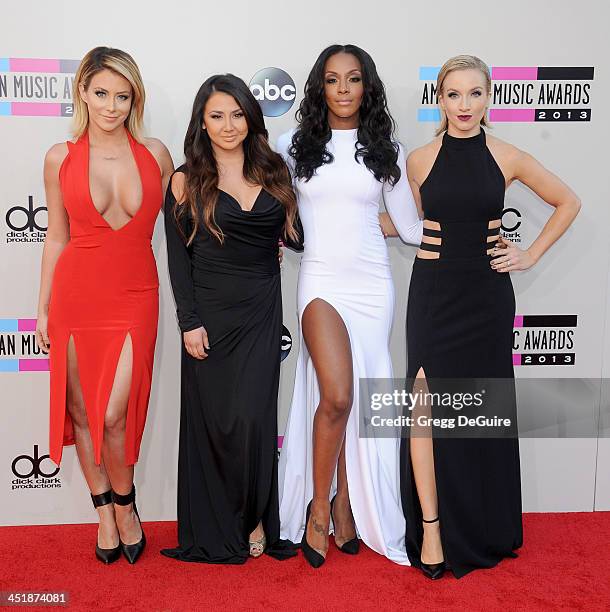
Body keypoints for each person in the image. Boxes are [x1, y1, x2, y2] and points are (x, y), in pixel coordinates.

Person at [397, 54, 581, 579]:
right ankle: (432, 528)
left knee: (479, 410)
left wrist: (529, 253)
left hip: (487, 296)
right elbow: (424, 225)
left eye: (475, 93)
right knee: (425, 405)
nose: (464, 105)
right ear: (440, 100)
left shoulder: (508, 156)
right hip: (433, 293)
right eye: (454, 94)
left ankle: (481, 526)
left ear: (489, 97)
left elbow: (568, 202)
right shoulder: (418, 160)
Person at [277, 44, 423, 568]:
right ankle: (319, 507)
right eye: (333, 79)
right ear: (320, 87)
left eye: (353, 79)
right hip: (319, 281)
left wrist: (471, 229)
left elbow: (409, 227)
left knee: (359, 399)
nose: (342, 89)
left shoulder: (387, 149)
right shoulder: (293, 147)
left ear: (367, 86)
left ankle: (347, 505)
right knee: (336, 396)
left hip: (371, 285)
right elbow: (278, 215)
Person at [35, 46, 173, 564]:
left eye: (122, 95)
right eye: (101, 94)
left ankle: (128, 503)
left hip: (136, 292)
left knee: (115, 412)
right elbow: (54, 236)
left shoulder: (156, 154)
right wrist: (43, 307)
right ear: (83, 94)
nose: (111, 106)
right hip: (76, 293)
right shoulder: (59, 157)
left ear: (134, 98)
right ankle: (105, 514)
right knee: (83, 412)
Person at [160, 74, 302, 565]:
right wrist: (188, 321)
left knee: (255, 420)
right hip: (211, 315)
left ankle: (258, 519)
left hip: (262, 309)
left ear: (251, 118)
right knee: (217, 423)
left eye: (238, 114)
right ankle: (219, 523)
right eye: (217, 115)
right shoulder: (185, 179)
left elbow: (299, 236)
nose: (228, 125)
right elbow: (179, 260)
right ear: (202, 120)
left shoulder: (274, 170)